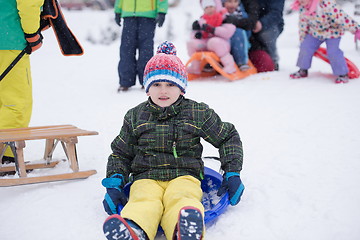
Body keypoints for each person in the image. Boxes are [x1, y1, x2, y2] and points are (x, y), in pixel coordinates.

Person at [102, 41, 245, 240]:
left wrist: (232, 172)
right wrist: (115, 181)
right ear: (147, 87)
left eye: (170, 84)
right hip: (146, 176)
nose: (163, 91)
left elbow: (227, 136)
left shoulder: (197, 112)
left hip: (184, 175)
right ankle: (135, 229)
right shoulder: (135, 116)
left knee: (183, 197)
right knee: (144, 200)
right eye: (156, 84)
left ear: (181, 87)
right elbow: (121, 152)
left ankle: (183, 230)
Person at [0, 0, 44, 164]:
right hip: (8, 39)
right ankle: (7, 156)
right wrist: (32, 34)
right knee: (16, 102)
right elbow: (28, 4)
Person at [290, 0, 360, 84]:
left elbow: (342, 18)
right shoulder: (303, 7)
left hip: (332, 32)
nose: (301, 1)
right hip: (315, 32)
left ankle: (342, 73)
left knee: (333, 52)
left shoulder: (325, 4)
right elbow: (303, 23)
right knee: (305, 47)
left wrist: (356, 29)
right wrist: (303, 38)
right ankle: (303, 69)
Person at [114, 0, 168, 92]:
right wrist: (117, 10)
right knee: (126, 50)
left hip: (148, 16)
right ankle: (125, 82)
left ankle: (146, 81)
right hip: (128, 15)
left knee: (146, 50)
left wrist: (162, 11)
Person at [187, 0, 238, 74]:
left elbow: (228, 32)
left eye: (211, 6)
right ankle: (195, 67)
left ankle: (229, 65)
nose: (209, 9)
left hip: (221, 42)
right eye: (206, 7)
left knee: (214, 42)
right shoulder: (202, 21)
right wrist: (197, 35)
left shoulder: (224, 17)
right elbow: (193, 34)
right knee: (191, 43)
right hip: (205, 43)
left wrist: (213, 30)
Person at [222, 0, 259, 70]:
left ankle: (241, 61)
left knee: (238, 33)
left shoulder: (240, 13)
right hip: (225, 39)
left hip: (241, 40)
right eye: (229, 2)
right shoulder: (221, 13)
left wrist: (235, 22)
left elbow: (249, 24)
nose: (232, 5)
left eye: (235, 1)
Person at [250, 0, 285, 71]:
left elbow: (276, 13)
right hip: (250, 22)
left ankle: (273, 58)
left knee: (266, 34)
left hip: (269, 25)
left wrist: (261, 23)